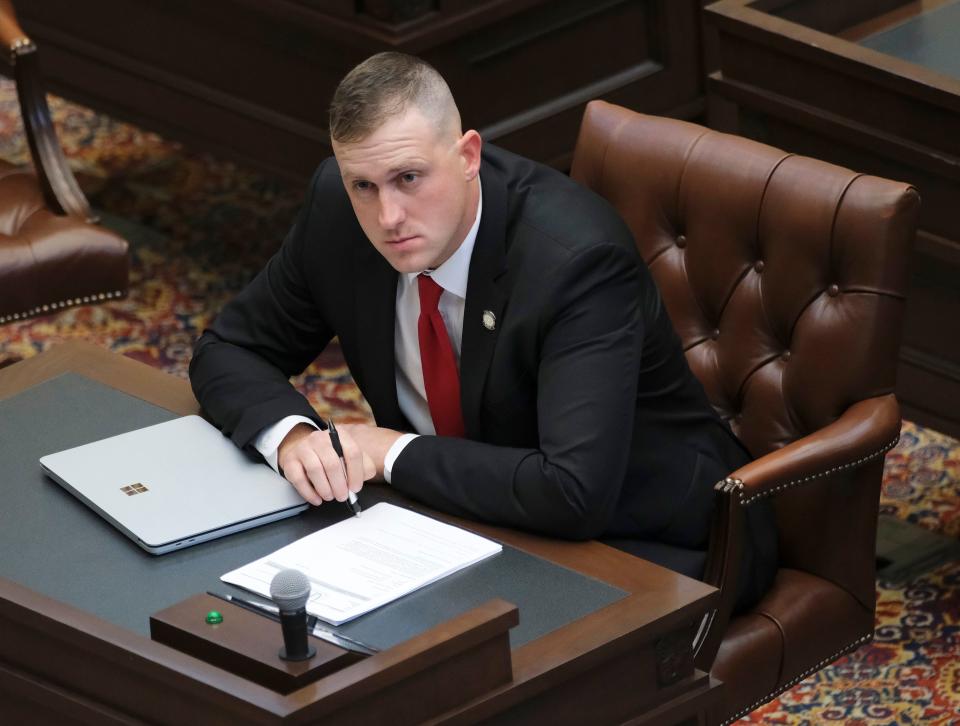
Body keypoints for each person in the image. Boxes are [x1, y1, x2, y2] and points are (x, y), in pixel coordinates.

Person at [189, 52, 777, 611]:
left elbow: (572, 492)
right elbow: (229, 348)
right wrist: (291, 436)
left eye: (409, 178)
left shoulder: (575, 264)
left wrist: (387, 449)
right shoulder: (339, 211)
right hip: (451, 514)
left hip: (643, 540)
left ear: (468, 155)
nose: (387, 217)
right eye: (362, 185)